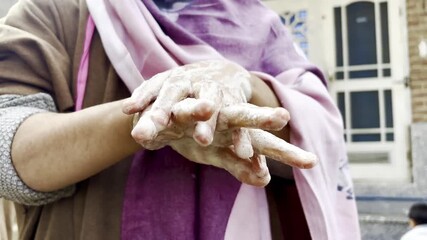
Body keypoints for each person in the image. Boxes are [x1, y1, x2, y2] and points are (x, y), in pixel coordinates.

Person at [0, 0, 361, 239]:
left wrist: (241, 87)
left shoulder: (263, 26)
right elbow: (9, 154)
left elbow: (315, 136)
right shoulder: (55, 12)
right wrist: (157, 118)